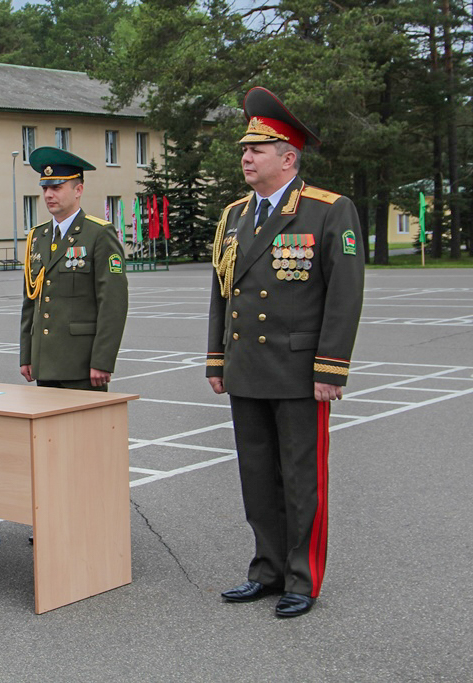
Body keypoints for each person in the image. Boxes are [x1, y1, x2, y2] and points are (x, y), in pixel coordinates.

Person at [206, 87, 365, 619]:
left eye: (258, 150)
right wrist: (216, 359)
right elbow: (222, 291)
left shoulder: (327, 211)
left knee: (301, 479)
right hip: (247, 367)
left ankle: (302, 577)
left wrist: (331, 366)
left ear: (288, 158)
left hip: (298, 371)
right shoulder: (233, 215)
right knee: (257, 476)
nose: (246, 158)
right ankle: (267, 569)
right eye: (244, 150)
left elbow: (344, 296)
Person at [19, 147, 128, 391]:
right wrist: (27, 355)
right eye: (45, 188)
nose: (48, 194)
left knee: (85, 430)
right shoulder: (38, 236)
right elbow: (31, 301)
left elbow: (113, 303)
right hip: (44, 362)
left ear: (78, 190)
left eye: (56, 187)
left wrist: (102, 360)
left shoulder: (99, 234)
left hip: (82, 364)